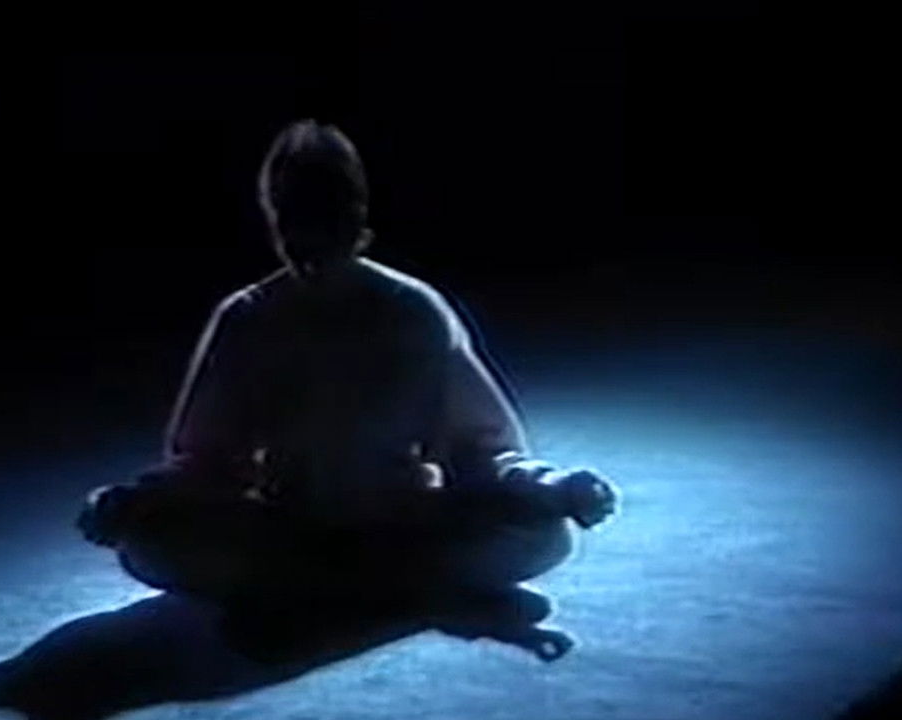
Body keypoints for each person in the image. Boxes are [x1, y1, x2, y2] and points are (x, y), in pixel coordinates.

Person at [77, 119, 618, 658]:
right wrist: (133, 501)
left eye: (325, 218)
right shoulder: (249, 317)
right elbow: (206, 461)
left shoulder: (412, 309)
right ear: (274, 221)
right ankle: (373, 595)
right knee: (147, 543)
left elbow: (482, 448)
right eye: (294, 221)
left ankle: (319, 598)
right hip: (287, 534)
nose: (309, 241)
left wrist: (553, 487)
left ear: (357, 217)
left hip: (405, 531)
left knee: (546, 533)